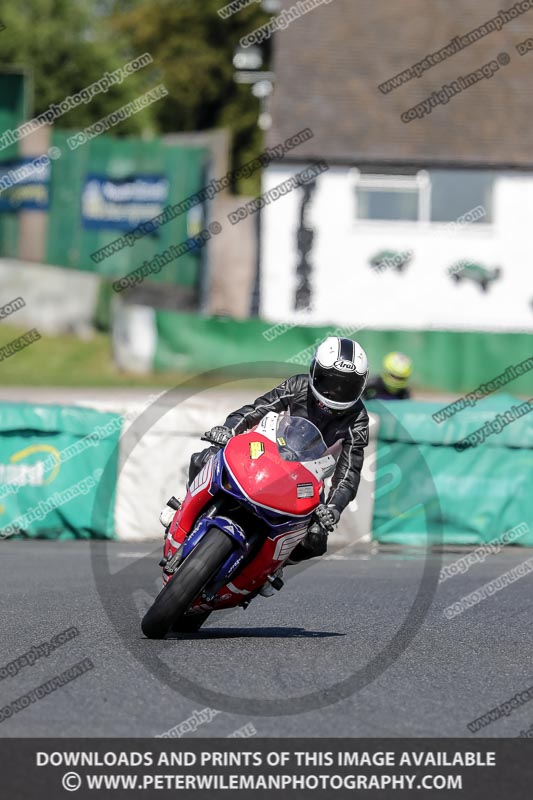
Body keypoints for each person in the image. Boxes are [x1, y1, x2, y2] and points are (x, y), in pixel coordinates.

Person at [159, 336, 370, 593]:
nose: (335, 392)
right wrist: (227, 431)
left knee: (315, 539)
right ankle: (184, 511)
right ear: (315, 373)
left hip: (308, 477)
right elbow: (255, 410)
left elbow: (349, 473)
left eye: (345, 387)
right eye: (329, 382)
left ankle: (273, 567)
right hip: (264, 451)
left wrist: (333, 509)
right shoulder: (297, 385)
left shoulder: (358, 419)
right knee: (204, 457)